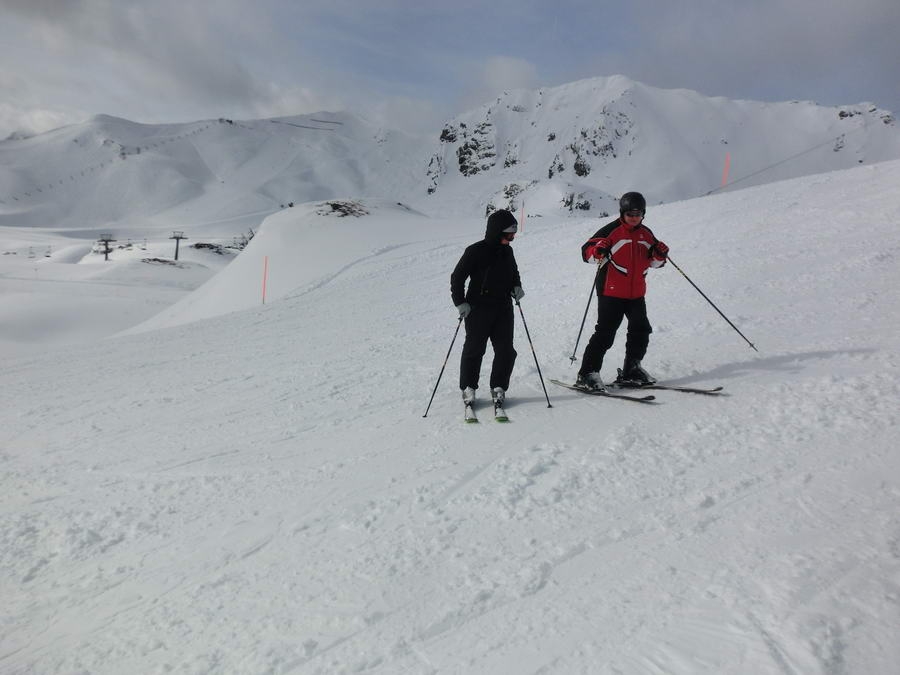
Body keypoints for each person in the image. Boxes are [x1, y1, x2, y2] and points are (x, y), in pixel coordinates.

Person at [575, 191, 669, 391]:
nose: (634, 218)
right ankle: (587, 373)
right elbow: (587, 253)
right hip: (611, 292)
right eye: (630, 214)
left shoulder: (646, 234)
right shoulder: (611, 231)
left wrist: (660, 255)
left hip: (636, 293)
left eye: (638, 214)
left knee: (641, 329)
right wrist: (597, 250)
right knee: (605, 333)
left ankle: (632, 368)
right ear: (622, 213)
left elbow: (654, 263)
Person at [451, 209, 524, 407]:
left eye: (514, 233)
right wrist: (460, 302)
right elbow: (457, 278)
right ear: (497, 231)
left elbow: (513, 273)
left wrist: (517, 286)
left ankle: (499, 387)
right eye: (510, 233)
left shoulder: (507, 251)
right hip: (478, 308)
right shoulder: (474, 251)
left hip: (503, 308)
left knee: (506, 351)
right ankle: (468, 388)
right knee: (474, 349)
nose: (513, 237)